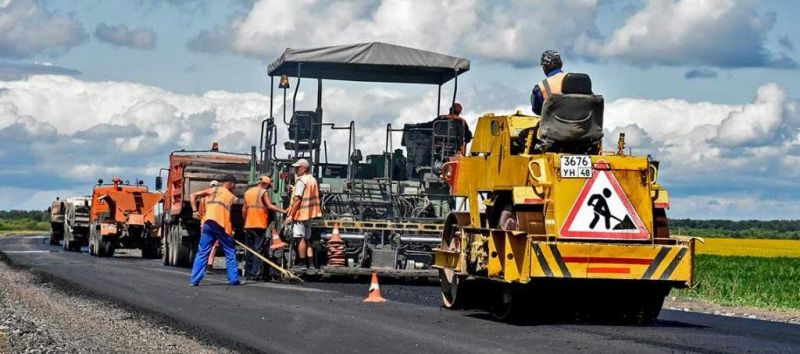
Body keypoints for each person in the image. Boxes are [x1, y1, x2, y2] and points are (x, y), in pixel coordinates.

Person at [189, 174, 240, 286]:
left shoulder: (212, 190)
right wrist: (230, 231)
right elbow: (230, 217)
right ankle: (234, 279)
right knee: (230, 250)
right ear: (229, 183)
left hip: (208, 223)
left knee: (202, 252)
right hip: (220, 224)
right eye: (234, 185)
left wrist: (194, 211)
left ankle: (194, 280)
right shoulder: (232, 197)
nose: (234, 187)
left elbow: (192, 195)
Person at [242, 176, 286, 280]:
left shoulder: (248, 192)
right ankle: (255, 273)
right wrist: (283, 211)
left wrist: (245, 223)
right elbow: (270, 206)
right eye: (268, 185)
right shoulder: (263, 192)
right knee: (258, 250)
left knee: (250, 249)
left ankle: (248, 273)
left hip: (249, 224)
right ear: (265, 184)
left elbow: (244, 210)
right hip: (259, 224)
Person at [284, 159, 322, 269]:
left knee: (299, 238)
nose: (295, 170)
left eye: (297, 168)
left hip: (300, 214)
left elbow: (298, 200)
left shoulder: (301, 181)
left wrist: (291, 215)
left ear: (304, 168)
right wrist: (294, 188)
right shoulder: (312, 180)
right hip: (309, 214)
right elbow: (307, 193)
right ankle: (311, 264)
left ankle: (303, 263)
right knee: (307, 239)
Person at [530, 50, 567, 116]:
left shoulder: (541, 87)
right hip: (580, 124)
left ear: (543, 67)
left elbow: (537, 110)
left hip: (554, 125)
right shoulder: (576, 80)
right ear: (561, 64)